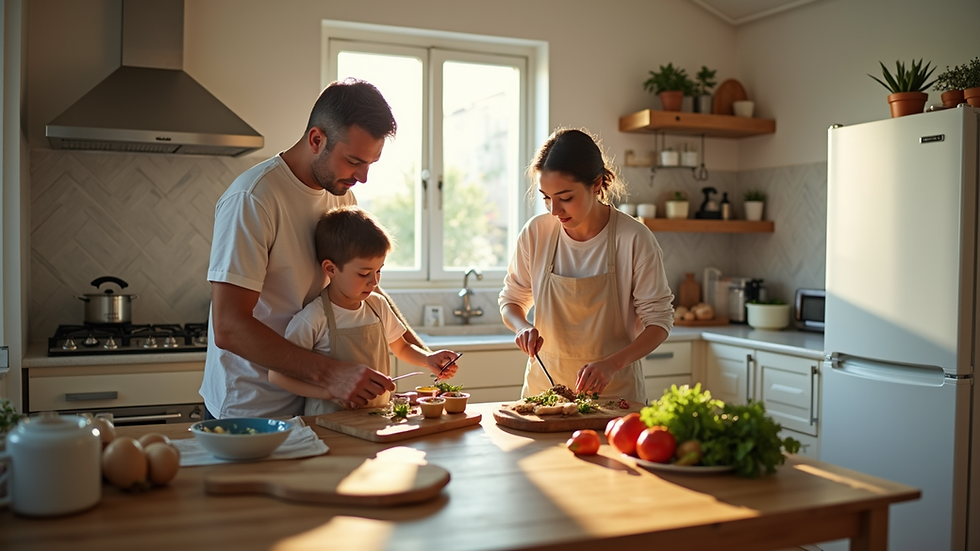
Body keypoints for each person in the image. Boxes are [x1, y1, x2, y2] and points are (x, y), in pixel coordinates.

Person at [202, 78, 421, 419]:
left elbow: (359, 284)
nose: (362, 177)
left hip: (320, 406)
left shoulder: (341, 195)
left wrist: (424, 354)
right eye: (353, 161)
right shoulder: (253, 198)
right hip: (253, 409)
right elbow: (229, 326)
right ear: (317, 139)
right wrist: (331, 374)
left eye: (370, 164)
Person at [498, 128, 674, 404]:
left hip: (615, 398)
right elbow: (511, 301)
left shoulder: (634, 238)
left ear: (596, 184)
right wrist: (521, 326)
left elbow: (659, 322)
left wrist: (612, 365)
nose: (554, 210)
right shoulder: (536, 233)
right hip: (545, 394)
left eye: (565, 198)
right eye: (546, 197)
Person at [268, 206, 460, 415]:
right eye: (364, 273)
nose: (374, 281)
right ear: (331, 269)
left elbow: (402, 348)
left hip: (376, 419)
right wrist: (331, 392)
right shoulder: (313, 318)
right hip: (327, 424)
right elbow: (278, 376)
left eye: (379, 270)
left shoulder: (378, 306)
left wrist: (428, 359)